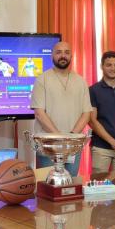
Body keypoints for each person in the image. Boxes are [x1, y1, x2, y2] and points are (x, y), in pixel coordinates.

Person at [29, 41, 92, 177]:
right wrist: (60, 138)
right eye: (58, 52)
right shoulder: (42, 79)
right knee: (48, 187)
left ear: (71, 56)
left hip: (73, 146)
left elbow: (86, 113)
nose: (63, 56)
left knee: (70, 186)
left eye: (66, 52)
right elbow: (39, 113)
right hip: (48, 145)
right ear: (52, 55)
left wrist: (70, 138)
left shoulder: (81, 81)